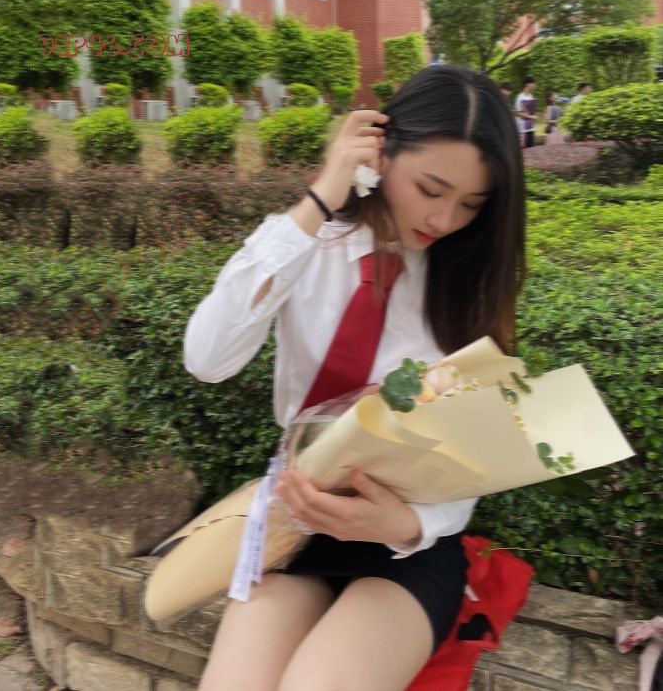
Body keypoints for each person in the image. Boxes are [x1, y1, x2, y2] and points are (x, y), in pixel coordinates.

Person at [186, 64, 527, 691]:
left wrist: (407, 526)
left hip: (403, 545)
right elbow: (208, 359)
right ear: (379, 150)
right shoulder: (303, 246)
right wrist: (321, 197)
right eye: (430, 189)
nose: (445, 219)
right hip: (296, 525)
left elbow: (470, 464)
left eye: (471, 204)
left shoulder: (466, 283)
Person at [514, 76, 538, 148]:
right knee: (524, 150)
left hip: (531, 128)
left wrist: (534, 116)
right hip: (523, 129)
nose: (534, 85)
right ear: (527, 84)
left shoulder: (530, 96)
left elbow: (531, 111)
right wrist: (531, 117)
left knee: (531, 149)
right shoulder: (520, 97)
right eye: (533, 83)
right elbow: (518, 113)